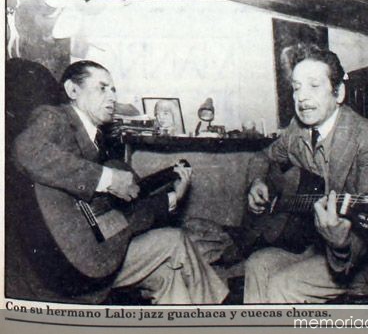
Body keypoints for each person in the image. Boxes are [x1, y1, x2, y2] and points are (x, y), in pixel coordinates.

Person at [13, 60, 228, 304]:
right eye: (102, 88)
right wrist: (108, 179)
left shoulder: (100, 143)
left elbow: (121, 216)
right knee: (175, 240)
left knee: (169, 274)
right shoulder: (56, 118)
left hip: (93, 258)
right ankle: (222, 311)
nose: (112, 96)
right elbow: (28, 151)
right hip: (66, 263)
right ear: (73, 90)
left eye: (114, 90)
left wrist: (172, 198)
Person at [243, 45, 368, 303]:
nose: (301, 97)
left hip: (360, 259)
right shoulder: (297, 130)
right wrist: (257, 181)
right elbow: (262, 157)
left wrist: (339, 243)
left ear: (339, 93)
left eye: (313, 85)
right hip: (316, 246)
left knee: (283, 285)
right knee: (257, 264)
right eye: (296, 87)